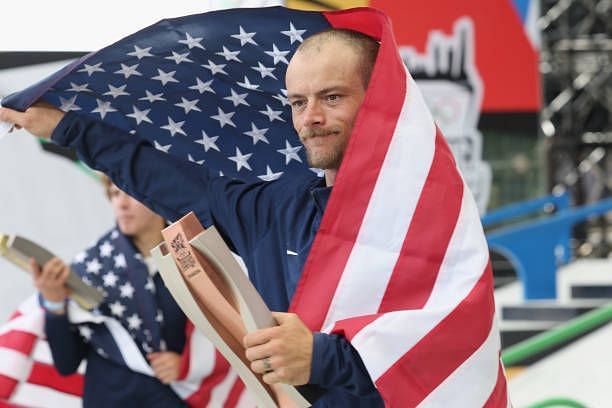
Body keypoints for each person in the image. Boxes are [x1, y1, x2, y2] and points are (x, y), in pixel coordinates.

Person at [0, 27, 504, 406]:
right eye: (298, 102)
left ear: (380, 102)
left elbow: (451, 341)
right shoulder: (279, 207)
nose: (311, 118)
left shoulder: (427, 211)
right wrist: (67, 127)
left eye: (332, 97)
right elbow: (165, 180)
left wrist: (322, 357)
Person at [32, 177, 187, 407]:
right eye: (114, 194)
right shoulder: (89, 269)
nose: (121, 204)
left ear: (158, 195)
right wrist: (55, 304)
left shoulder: (193, 257)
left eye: (128, 193)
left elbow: (222, 334)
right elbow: (66, 364)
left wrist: (188, 364)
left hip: (180, 397)